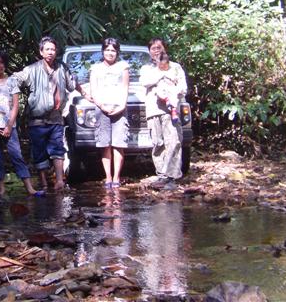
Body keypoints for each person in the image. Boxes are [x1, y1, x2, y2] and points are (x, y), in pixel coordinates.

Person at [14, 36, 88, 191]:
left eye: (53, 49)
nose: (50, 52)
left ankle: (59, 181)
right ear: (41, 52)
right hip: (37, 119)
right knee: (39, 151)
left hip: (56, 117)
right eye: (47, 49)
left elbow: (72, 84)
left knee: (57, 149)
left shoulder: (62, 68)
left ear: (56, 51)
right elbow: (15, 80)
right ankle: (44, 183)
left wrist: (86, 94)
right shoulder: (32, 69)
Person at [0, 50, 43, 198]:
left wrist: (9, 125)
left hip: (9, 126)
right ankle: (1, 189)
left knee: (16, 155)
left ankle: (29, 188)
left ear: (5, 65)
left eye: (2, 62)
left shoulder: (12, 82)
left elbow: (15, 106)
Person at [139, 38, 188, 189]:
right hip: (153, 110)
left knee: (173, 141)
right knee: (158, 143)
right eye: (153, 48)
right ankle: (162, 175)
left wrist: (172, 93)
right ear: (149, 51)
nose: (156, 50)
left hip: (171, 110)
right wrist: (161, 74)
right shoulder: (146, 68)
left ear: (164, 48)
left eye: (159, 47)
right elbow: (145, 82)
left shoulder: (175, 67)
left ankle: (172, 176)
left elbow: (183, 87)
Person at [88, 38, 130, 189]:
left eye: (113, 50)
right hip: (102, 109)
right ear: (103, 51)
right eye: (107, 50)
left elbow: (125, 88)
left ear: (117, 52)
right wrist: (102, 106)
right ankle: (108, 177)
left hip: (120, 109)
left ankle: (117, 177)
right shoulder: (95, 68)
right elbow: (93, 90)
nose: (110, 53)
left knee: (118, 144)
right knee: (105, 144)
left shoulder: (123, 67)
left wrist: (122, 106)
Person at [153, 53, 180, 123]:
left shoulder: (172, 70)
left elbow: (175, 80)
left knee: (174, 96)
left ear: (168, 64)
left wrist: (173, 81)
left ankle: (174, 112)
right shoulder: (156, 71)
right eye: (161, 65)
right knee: (159, 92)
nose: (163, 67)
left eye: (165, 65)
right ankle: (166, 100)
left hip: (171, 88)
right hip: (161, 88)